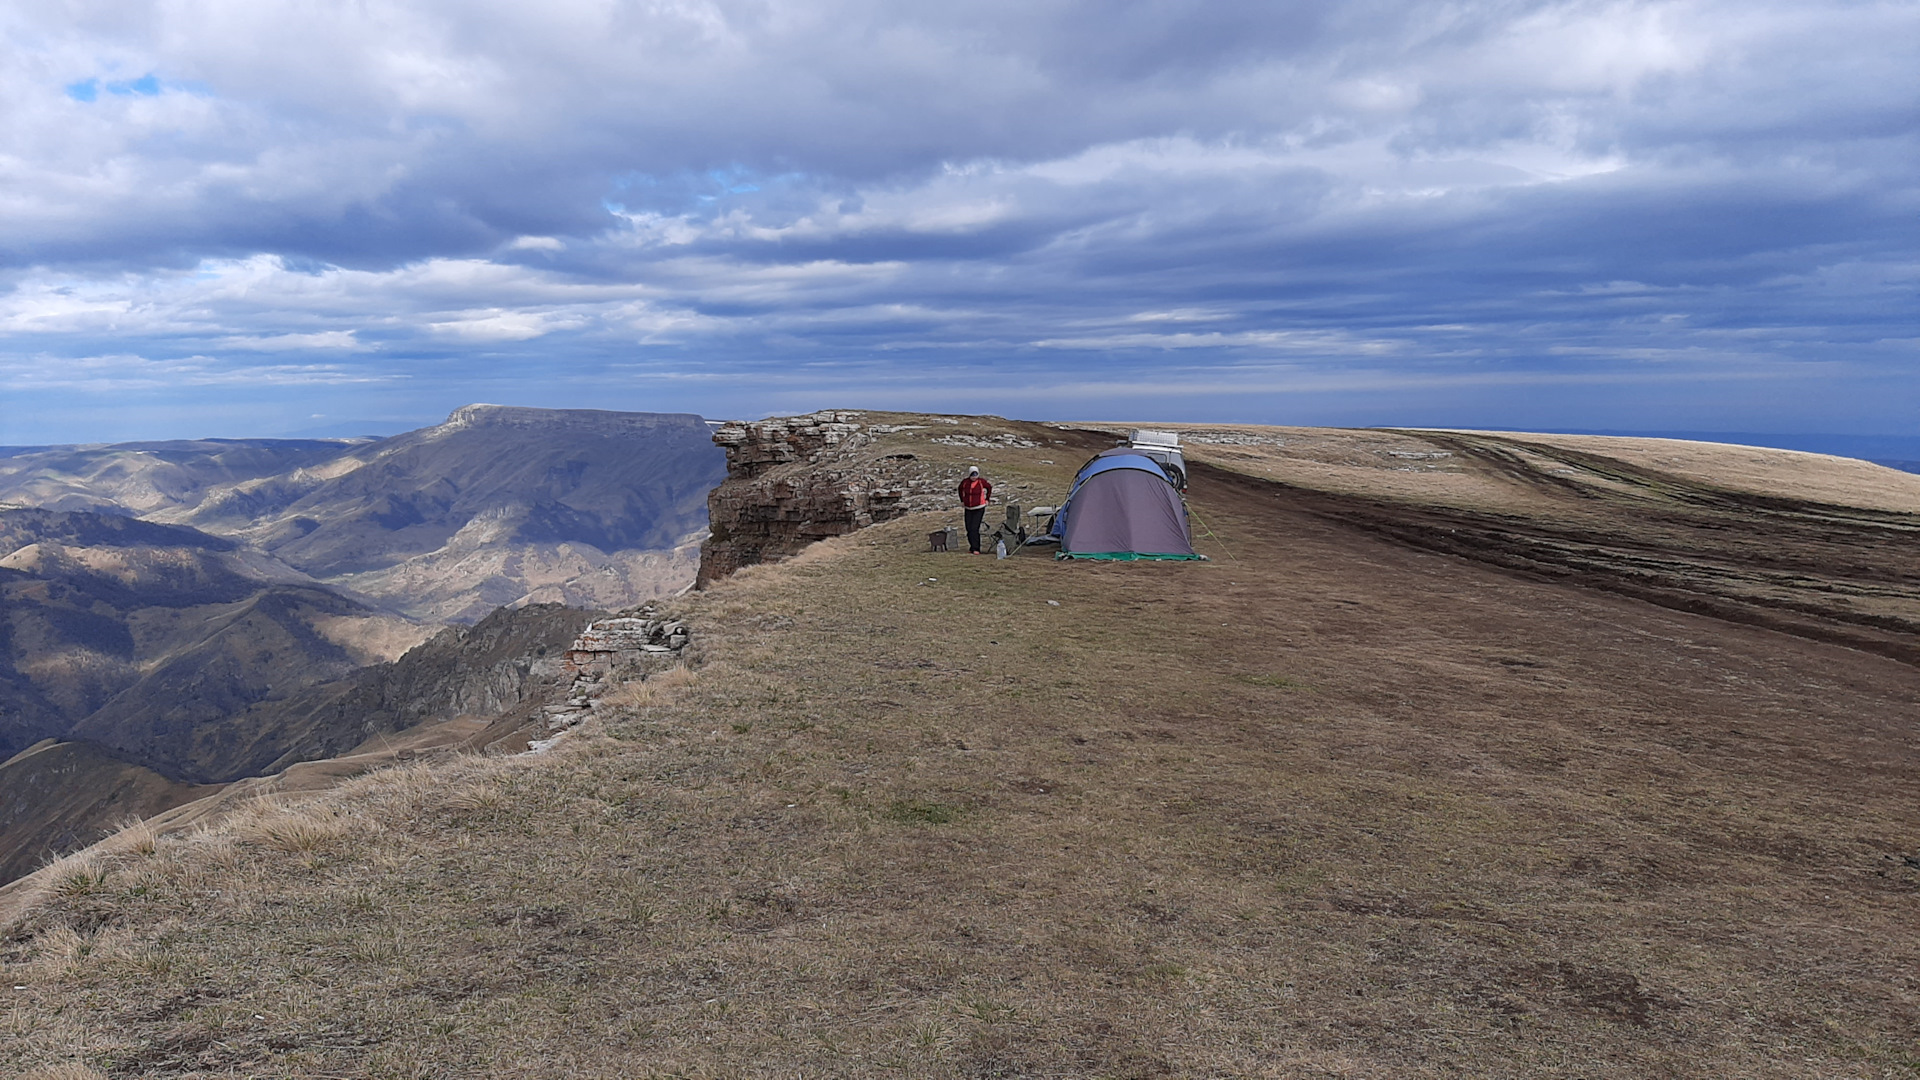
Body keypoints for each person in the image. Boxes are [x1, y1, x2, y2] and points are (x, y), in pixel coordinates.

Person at [957, 466, 993, 554]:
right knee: (968, 528)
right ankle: (972, 547)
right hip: (968, 508)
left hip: (979, 507)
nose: (974, 477)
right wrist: (962, 500)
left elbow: (989, 487)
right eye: (972, 475)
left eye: (976, 475)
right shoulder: (965, 482)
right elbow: (960, 489)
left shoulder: (981, 482)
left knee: (974, 528)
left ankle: (976, 548)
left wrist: (987, 499)